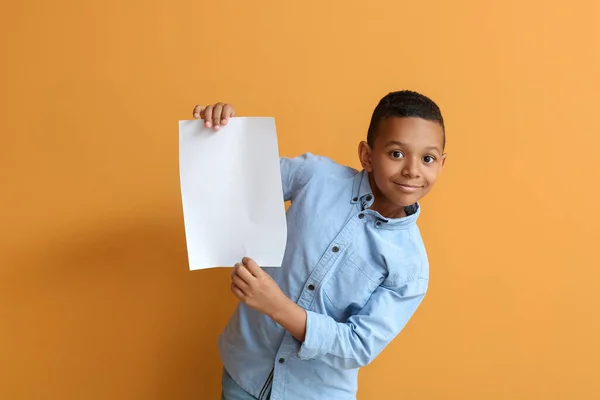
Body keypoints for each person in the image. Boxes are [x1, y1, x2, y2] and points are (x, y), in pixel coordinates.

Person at [192, 90, 447, 400]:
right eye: (396, 153)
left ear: (441, 164)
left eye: (427, 158)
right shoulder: (315, 176)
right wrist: (219, 134)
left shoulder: (411, 268)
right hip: (243, 373)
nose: (412, 170)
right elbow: (238, 181)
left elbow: (357, 347)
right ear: (367, 155)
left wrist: (276, 304)